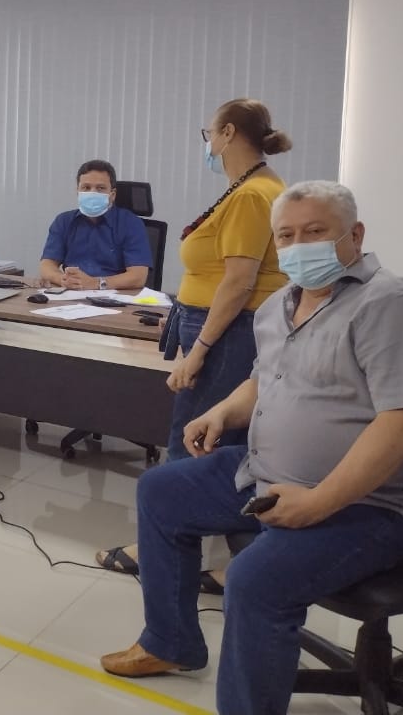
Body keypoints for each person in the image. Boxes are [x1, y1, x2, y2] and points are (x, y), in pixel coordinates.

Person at [100, 181, 403, 715]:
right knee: (161, 491)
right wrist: (220, 412)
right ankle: (170, 643)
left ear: (354, 236)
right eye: (286, 236)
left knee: (253, 581)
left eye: (315, 232)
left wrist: (319, 502)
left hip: (371, 504)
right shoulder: (278, 305)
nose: (298, 246)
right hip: (266, 474)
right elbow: (263, 381)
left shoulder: (390, 305)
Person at [96, 99, 290, 586]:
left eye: (209, 134)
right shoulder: (250, 188)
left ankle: (161, 550)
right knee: (224, 447)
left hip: (229, 334)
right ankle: (242, 563)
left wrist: (199, 350)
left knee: (195, 441)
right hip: (221, 328)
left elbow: (239, 282)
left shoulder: (253, 194)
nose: (208, 145)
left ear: (228, 134)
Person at [39, 159, 151, 292]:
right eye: (86, 188)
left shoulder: (131, 223)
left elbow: (138, 277)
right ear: (78, 191)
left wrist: (96, 283)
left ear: (112, 194)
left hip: (116, 297)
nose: (92, 193)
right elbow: (47, 265)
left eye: (100, 188)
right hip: (71, 295)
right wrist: (62, 279)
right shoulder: (63, 221)